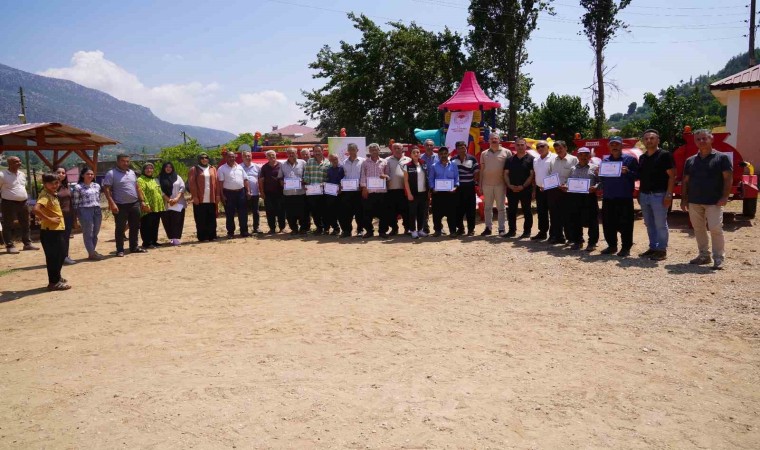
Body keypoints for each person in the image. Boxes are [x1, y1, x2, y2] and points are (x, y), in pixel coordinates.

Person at [681, 129, 733, 270]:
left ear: (711, 139)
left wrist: (725, 196)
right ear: (695, 142)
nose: (701, 141)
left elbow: (728, 178)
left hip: (714, 201)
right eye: (698, 139)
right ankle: (704, 255)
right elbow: (685, 181)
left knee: (715, 228)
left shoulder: (722, 158)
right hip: (694, 200)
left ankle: (718, 258)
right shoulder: (690, 160)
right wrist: (684, 199)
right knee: (698, 229)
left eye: (704, 138)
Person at [638, 129, 675, 261]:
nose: (649, 140)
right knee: (649, 223)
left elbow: (672, 176)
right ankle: (653, 247)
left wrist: (669, 195)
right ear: (643, 141)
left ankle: (661, 250)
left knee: (660, 224)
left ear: (658, 140)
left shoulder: (665, 155)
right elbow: (641, 177)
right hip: (644, 195)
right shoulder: (642, 158)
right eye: (646, 138)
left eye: (652, 138)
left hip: (659, 195)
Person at [599, 136, 639, 257]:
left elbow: (637, 175)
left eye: (617, 144)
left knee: (626, 224)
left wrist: (628, 172)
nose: (614, 147)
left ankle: (626, 248)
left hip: (624, 197)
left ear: (622, 145)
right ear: (609, 147)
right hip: (608, 197)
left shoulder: (630, 160)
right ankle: (612, 246)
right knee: (608, 223)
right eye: (612, 144)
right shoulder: (605, 161)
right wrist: (598, 173)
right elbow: (602, 179)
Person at [103, 154, 150, 256]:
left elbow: (137, 187)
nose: (125, 163)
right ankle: (120, 250)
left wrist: (142, 201)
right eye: (123, 161)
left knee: (135, 226)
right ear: (118, 162)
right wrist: (112, 203)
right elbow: (106, 189)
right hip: (120, 205)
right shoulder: (111, 173)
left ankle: (134, 247)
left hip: (134, 204)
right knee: (120, 228)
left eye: (127, 161)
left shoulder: (132, 173)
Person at [33, 173, 70, 290]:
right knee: (54, 257)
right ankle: (53, 282)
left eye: (56, 183)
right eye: (51, 183)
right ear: (45, 184)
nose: (54, 185)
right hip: (50, 231)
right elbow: (36, 209)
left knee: (61, 254)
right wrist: (49, 219)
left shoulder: (52, 194)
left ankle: (57, 277)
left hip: (57, 229)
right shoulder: (45, 196)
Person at [563, 147, 600, 251]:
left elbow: (600, 181)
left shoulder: (595, 168)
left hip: (589, 196)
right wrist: (565, 186)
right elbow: (568, 181)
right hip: (575, 197)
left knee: (592, 220)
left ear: (589, 156)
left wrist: (596, 187)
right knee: (575, 219)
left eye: (586, 155)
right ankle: (578, 241)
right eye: (581, 155)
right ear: (577, 156)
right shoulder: (573, 168)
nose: (583, 157)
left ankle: (592, 243)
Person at [0, 156, 38, 254]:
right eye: (16, 162)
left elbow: (22, 187)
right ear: (9, 163)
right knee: (8, 224)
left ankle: (27, 244)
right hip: (8, 203)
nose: (19, 163)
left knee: (26, 223)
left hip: (23, 202)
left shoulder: (22, 174)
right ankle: (9, 245)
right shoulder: (2, 174)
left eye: (19, 161)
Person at [547, 141, 578, 245]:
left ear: (566, 148)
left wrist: (567, 185)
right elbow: (550, 174)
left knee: (568, 215)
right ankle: (558, 237)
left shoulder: (573, 159)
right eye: (556, 149)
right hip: (554, 191)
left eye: (560, 148)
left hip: (568, 191)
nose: (558, 150)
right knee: (555, 215)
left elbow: (576, 174)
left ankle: (571, 238)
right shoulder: (552, 160)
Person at [480, 132, 510, 236]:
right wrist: (480, 184)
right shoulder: (484, 153)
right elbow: (482, 170)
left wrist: (508, 183)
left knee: (501, 207)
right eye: (492, 138)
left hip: (500, 184)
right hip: (486, 184)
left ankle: (502, 229)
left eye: (496, 138)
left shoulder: (507, 152)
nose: (494, 140)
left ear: (499, 140)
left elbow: (509, 170)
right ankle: (488, 228)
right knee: (487, 207)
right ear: (488, 140)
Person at [503, 138, 535, 238]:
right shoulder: (510, 159)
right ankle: (511, 231)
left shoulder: (531, 159)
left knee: (527, 211)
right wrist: (509, 185)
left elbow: (531, 175)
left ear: (526, 146)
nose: (520, 147)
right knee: (511, 211)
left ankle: (527, 232)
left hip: (526, 189)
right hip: (512, 189)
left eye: (522, 145)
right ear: (515, 146)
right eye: (518, 145)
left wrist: (523, 186)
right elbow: (505, 174)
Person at [71, 166, 104, 260]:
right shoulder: (78, 187)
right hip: (85, 210)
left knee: (95, 232)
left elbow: (98, 198)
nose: (90, 176)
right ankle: (92, 253)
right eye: (88, 174)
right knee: (88, 233)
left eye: (92, 174)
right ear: (82, 175)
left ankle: (92, 252)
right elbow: (75, 203)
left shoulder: (97, 186)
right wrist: (75, 217)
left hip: (97, 209)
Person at [187, 153, 219, 242]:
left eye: (206, 158)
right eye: (202, 158)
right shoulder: (194, 169)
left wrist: (217, 195)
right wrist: (195, 196)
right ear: (199, 159)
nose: (204, 159)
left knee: (212, 218)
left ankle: (212, 235)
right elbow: (192, 184)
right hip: (200, 199)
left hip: (211, 198)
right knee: (201, 219)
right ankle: (203, 237)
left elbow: (216, 183)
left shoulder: (212, 168)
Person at [359, 143, 390, 238]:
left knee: (384, 213)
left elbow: (389, 175)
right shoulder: (365, 162)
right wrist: (364, 188)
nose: (374, 151)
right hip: (369, 192)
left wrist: (386, 176)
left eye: (376, 149)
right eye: (372, 150)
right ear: (369, 151)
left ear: (379, 150)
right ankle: (369, 231)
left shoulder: (384, 162)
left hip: (381, 192)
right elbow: (363, 176)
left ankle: (382, 231)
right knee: (367, 213)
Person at [217, 151, 250, 238]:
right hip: (228, 193)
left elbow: (245, 179)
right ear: (226, 158)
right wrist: (222, 195)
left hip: (241, 192)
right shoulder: (221, 169)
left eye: (233, 157)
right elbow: (220, 183)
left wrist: (248, 191)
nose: (231, 158)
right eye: (229, 157)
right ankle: (230, 232)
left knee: (243, 213)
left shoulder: (240, 167)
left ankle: (244, 231)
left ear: (235, 157)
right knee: (229, 214)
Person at [428, 146, 460, 237]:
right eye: (441, 154)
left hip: (451, 193)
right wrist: (433, 188)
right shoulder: (434, 166)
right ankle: (437, 230)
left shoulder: (453, 165)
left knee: (452, 213)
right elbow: (431, 179)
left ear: (448, 154)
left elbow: (456, 178)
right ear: (438, 155)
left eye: (445, 153)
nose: (443, 155)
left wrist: (455, 187)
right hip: (438, 193)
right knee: (437, 213)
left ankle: (452, 231)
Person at [451, 141, 479, 236]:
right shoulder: (453, 160)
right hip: (457, 188)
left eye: (463, 147)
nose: (462, 150)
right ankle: (460, 229)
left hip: (469, 187)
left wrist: (473, 182)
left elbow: (476, 172)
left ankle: (471, 230)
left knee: (470, 209)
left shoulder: (472, 159)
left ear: (466, 148)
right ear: (456, 149)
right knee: (458, 209)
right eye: (459, 148)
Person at [279, 148, 308, 235]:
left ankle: (303, 229)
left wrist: (303, 181)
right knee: (290, 213)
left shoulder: (303, 163)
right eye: (289, 153)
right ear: (287, 154)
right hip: (288, 193)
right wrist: (282, 182)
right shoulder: (282, 164)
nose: (291, 155)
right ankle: (294, 229)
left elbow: (307, 175)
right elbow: (280, 177)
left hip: (300, 192)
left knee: (303, 212)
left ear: (296, 153)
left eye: (293, 153)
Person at [136, 163, 166, 249]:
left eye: (151, 168)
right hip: (147, 206)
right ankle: (147, 243)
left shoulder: (154, 179)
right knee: (146, 224)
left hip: (157, 206)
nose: (149, 170)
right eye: (147, 168)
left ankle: (154, 241)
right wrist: (146, 204)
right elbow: (141, 192)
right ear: (143, 170)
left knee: (155, 224)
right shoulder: (141, 180)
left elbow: (159, 191)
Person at [384, 143, 411, 235]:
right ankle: (394, 229)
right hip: (391, 189)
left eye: (398, 148)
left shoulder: (408, 159)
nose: (396, 150)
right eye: (394, 148)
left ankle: (407, 228)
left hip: (405, 191)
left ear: (402, 149)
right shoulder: (387, 160)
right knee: (392, 211)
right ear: (392, 149)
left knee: (406, 211)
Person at [403, 146, 429, 239]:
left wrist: (428, 191)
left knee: (421, 212)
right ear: (411, 154)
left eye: (417, 152)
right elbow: (406, 181)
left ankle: (420, 230)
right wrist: (409, 193)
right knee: (412, 213)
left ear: (419, 154)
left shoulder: (423, 163)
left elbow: (426, 177)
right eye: (414, 152)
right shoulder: (407, 165)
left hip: (423, 192)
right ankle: (413, 230)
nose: (416, 154)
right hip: (413, 193)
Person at [303, 144, 330, 234]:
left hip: (324, 191)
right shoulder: (309, 161)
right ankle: (319, 227)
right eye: (315, 151)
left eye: (319, 151)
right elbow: (306, 175)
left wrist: (325, 184)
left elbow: (329, 177)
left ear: (323, 151)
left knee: (325, 210)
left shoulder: (328, 162)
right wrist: (307, 185)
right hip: (312, 192)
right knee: (315, 211)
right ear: (313, 152)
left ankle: (326, 228)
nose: (317, 153)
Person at [531, 140, 555, 241]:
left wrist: (547, 185)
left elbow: (555, 174)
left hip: (552, 189)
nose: (540, 148)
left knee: (553, 212)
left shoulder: (554, 158)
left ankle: (554, 234)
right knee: (541, 212)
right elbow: (535, 175)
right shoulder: (536, 159)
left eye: (542, 146)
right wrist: (534, 190)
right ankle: (542, 232)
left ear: (547, 147)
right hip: (539, 188)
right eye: (538, 147)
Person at [339, 143, 364, 237]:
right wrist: (341, 184)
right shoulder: (344, 162)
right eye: (350, 150)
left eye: (353, 149)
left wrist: (363, 185)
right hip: (347, 191)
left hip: (359, 191)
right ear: (348, 151)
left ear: (357, 150)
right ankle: (347, 231)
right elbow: (343, 176)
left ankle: (360, 230)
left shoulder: (363, 161)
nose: (351, 151)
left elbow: (364, 175)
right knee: (347, 212)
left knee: (359, 212)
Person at [158, 162, 186, 246]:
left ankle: (176, 238)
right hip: (166, 203)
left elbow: (182, 187)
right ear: (163, 168)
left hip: (178, 202)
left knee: (177, 220)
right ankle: (171, 237)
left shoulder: (178, 177)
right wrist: (169, 200)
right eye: (166, 167)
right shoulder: (159, 178)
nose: (168, 168)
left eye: (170, 167)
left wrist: (176, 198)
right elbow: (159, 190)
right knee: (167, 221)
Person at [53, 166, 76, 264]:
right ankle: (61, 257)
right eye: (58, 172)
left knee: (66, 237)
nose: (61, 174)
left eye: (63, 173)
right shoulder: (52, 187)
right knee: (60, 238)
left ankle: (65, 255)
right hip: (58, 217)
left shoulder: (66, 186)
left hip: (68, 216)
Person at [259, 150, 286, 234]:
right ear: (266, 157)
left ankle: (282, 228)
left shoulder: (281, 166)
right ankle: (272, 228)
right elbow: (261, 180)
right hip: (268, 193)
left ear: (276, 156)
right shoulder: (264, 167)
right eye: (269, 155)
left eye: (273, 155)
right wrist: (262, 192)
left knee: (281, 211)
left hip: (280, 192)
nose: (271, 157)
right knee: (270, 211)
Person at [241, 150, 262, 234]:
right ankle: (244, 230)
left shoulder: (257, 167)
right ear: (242, 157)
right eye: (245, 156)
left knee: (256, 212)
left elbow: (260, 180)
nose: (247, 157)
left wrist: (260, 191)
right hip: (243, 194)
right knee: (243, 212)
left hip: (255, 193)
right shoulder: (239, 167)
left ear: (251, 156)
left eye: (249, 156)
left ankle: (256, 228)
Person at [324, 153, 344, 236]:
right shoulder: (329, 169)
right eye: (332, 159)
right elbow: (327, 180)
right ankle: (336, 228)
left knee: (341, 213)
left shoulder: (342, 168)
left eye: (335, 159)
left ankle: (344, 230)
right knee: (331, 212)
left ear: (338, 159)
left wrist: (341, 187)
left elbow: (345, 179)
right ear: (329, 160)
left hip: (341, 194)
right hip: (331, 194)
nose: (334, 161)